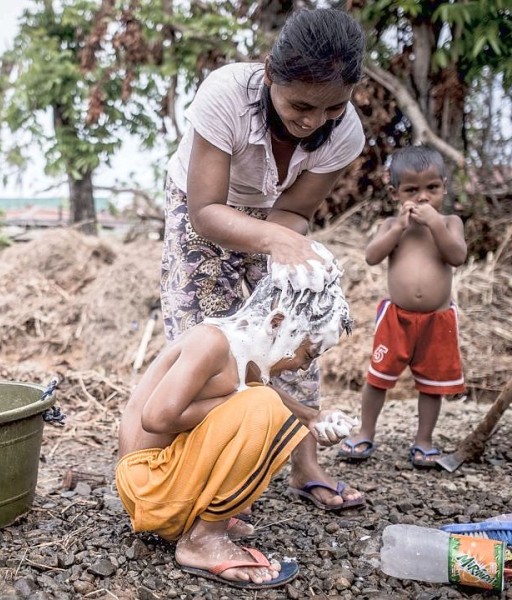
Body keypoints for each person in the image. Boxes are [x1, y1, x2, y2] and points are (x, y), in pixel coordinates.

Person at [160, 7, 366, 510]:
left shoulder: (345, 133)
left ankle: (304, 461)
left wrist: (285, 270)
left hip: (278, 215)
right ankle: (189, 464)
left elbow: (295, 209)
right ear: (271, 75)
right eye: (301, 104)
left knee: (293, 326)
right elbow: (206, 211)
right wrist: (274, 243)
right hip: (205, 206)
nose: (313, 121)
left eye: (331, 109)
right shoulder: (226, 95)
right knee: (206, 334)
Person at [117, 253, 358, 590]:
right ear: (277, 323)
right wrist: (240, 401)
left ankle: (204, 522)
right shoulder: (211, 342)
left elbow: (253, 392)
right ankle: (203, 540)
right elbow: (157, 417)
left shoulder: (243, 355)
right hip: (147, 485)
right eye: (307, 354)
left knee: (264, 402)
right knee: (262, 405)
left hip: (166, 486)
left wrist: (314, 417)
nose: (304, 368)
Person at [339, 145, 468, 467]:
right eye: (412, 190)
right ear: (396, 193)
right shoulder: (391, 227)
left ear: (444, 187)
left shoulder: (450, 223)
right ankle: (365, 431)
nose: (423, 198)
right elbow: (371, 257)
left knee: (433, 384)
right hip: (396, 318)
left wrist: (435, 224)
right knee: (378, 377)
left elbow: (457, 256)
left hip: (438, 320)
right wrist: (397, 228)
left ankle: (423, 441)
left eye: (432, 189)